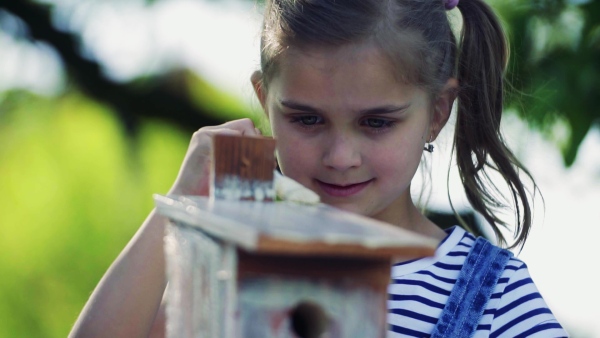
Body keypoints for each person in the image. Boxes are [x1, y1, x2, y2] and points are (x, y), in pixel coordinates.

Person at [70, 0, 569, 337]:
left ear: (436, 113)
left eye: (376, 122)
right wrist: (181, 205)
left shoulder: (495, 295)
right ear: (267, 104)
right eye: (307, 119)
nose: (339, 156)